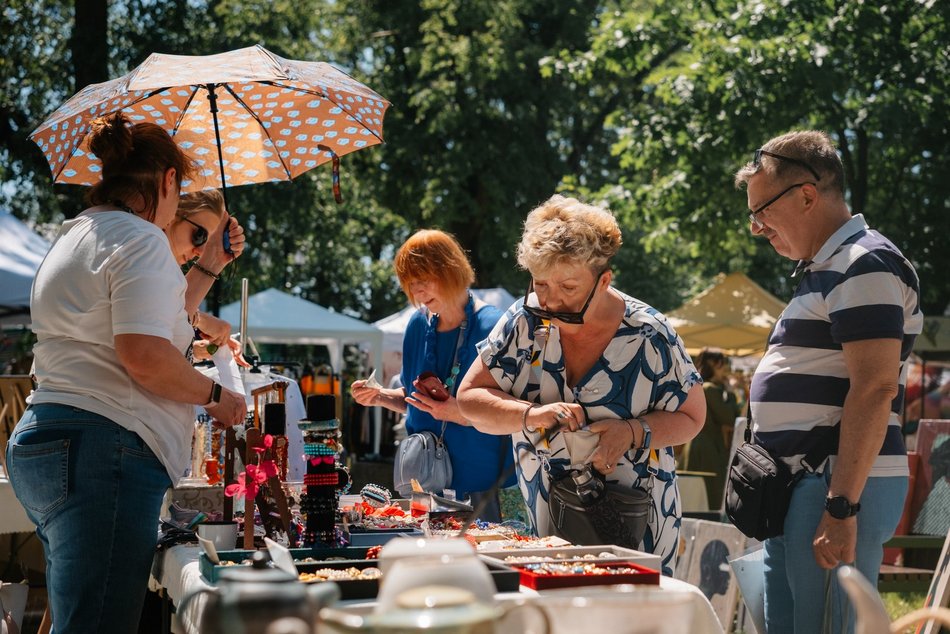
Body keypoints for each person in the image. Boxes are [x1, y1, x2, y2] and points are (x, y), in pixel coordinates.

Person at [5, 112, 247, 634]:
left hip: (54, 439)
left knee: (78, 617)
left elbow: (155, 323)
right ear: (166, 181)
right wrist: (216, 396)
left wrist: (207, 264)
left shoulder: (78, 233)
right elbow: (144, 355)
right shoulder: (141, 240)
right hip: (103, 450)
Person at [456, 195, 706, 575]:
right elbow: (470, 399)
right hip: (544, 525)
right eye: (540, 284)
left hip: (633, 525)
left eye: (568, 287)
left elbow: (693, 417)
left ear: (603, 280)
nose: (551, 301)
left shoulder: (650, 334)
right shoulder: (524, 320)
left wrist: (633, 432)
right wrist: (531, 414)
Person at [734, 130, 922, 634]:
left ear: (807, 194)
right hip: (806, 485)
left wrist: (841, 507)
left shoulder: (864, 263)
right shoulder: (829, 266)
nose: (756, 227)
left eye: (761, 210)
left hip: (832, 487)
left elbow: (875, 387)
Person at [350, 229, 514, 520]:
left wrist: (459, 412)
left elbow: (513, 412)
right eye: (410, 285)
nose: (417, 293)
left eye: (423, 281)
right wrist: (380, 396)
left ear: (450, 271)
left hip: (483, 489)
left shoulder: (493, 326)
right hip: (426, 485)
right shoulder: (417, 325)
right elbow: (415, 400)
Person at [166, 189, 247, 366]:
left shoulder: (157, 263)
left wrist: (215, 258)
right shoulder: (142, 253)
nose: (200, 251)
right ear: (171, 213)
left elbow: (168, 317)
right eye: (199, 235)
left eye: (206, 241)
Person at [682, 348, 741, 509]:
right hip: (707, 450)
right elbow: (731, 418)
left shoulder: (704, 387)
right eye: (722, 365)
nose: (725, 369)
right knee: (708, 495)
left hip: (702, 446)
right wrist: (730, 392)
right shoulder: (709, 389)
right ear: (715, 364)